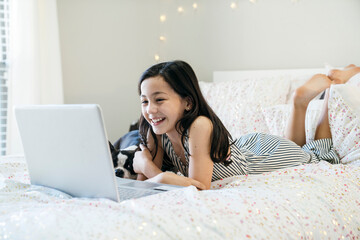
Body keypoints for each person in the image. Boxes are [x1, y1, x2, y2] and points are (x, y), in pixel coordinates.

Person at [133, 61, 360, 190]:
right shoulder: (156, 130)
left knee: (318, 156)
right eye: (144, 101)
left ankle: (331, 89)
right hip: (249, 147)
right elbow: (141, 185)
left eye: (159, 99)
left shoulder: (199, 125)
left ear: (188, 102)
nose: (150, 109)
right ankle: (299, 104)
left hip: (260, 159)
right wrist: (147, 170)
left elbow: (199, 187)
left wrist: (150, 169)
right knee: (299, 149)